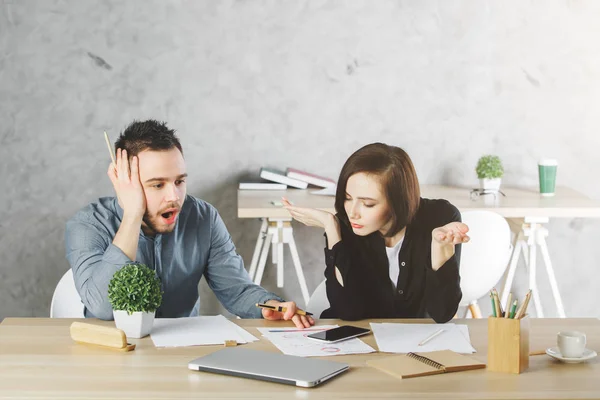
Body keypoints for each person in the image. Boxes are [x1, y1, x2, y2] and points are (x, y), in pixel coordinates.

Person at [65, 120, 314, 329]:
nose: (174, 196)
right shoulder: (89, 224)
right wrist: (132, 215)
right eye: (157, 184)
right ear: (125, 184)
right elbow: (102, 307)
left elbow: (237, 290)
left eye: (179, 181)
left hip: (182, 353)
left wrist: (271, 306)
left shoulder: (203, 218)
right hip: (111, 358)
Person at [282, 143, 469, 323]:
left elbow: (442, 313)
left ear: (397, 201)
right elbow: (348, 311)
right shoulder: (345, 225)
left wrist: (440, 250)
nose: (352, 212)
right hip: (359, 343)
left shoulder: (440, 218)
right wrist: (331, 226)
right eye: (347, 198)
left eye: (368, 204)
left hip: (415, 344)